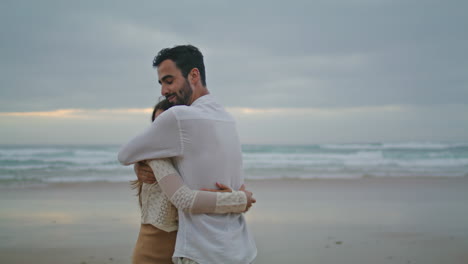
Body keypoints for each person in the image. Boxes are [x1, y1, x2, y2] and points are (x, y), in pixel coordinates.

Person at [118, 45, 257, 264]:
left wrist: (143, 161)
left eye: (169, 80)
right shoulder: (227, 119)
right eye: (161, 83)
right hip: (240, 250)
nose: (163, 91)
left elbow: (125, 154)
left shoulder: (178, 117)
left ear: (194, 75)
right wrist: (240, 199)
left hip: (202, 252)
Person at [130, 99, 255, 264]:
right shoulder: (155, 157)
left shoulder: (193, 162)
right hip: (153, 252)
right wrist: (240, 199)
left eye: (168, 126)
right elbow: (186, 199)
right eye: (157, 126)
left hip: (187, 252)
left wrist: (230, 196)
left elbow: (208, 203)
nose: (161, 133)